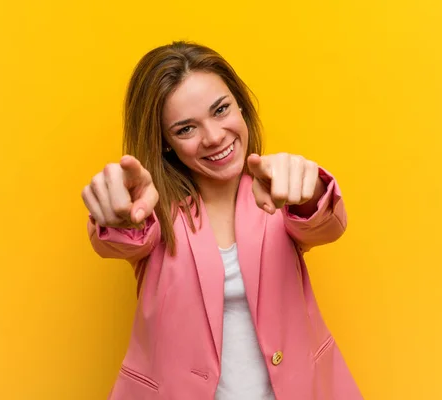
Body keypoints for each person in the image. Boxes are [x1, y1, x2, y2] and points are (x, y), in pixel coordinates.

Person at [81, 41, 363, 400]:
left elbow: (327, 223)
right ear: (166, 143)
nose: (214, 137)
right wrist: (117, 212)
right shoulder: (155, 215)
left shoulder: (278, 194)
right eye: (186, 129)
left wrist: (309, 191)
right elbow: (122, 236)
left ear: (241, 105)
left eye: (221, 109)